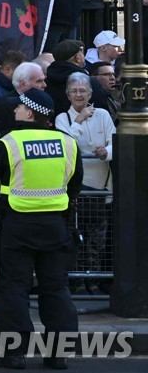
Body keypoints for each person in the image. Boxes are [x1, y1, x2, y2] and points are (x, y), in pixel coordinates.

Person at [0, 88, 82, 370]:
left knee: (13, 288)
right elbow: (74, 185)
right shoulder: (67, 143)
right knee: (56, 288)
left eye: (20, 107)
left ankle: (13, 353)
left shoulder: (9, 142)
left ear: (31, 112)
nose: (15, 111)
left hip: (17, 225)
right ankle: (59, 354)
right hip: (57, 225)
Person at [54, 72, 114, 293]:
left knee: (97, 238)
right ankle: (76, 281)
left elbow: (114, 143)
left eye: (83, 91)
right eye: (74, 91)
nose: (79, 95)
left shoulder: (104, 116)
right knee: (75, 236)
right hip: (76, 188)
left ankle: (95, 281)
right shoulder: (63, 118)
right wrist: (78, 121)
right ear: (68, 95)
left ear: (90, 93)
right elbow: (65, 145)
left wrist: (105, 151)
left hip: (100, 188)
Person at [0, 61, 50, 138]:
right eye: (39, 81)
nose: (44, 85)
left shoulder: (42, 101)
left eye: (44, 80)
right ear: (23, 84)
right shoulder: (4, 106)